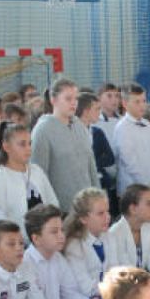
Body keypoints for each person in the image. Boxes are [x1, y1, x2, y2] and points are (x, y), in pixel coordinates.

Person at [31, 79, 101, 212]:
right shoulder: (42, 130)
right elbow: (39, 175)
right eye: (68, 99)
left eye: (76, 98)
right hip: (61, 210)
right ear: (53, 100)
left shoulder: (80, 126)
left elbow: (91, 166)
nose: (74, 103)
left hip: (87, 208)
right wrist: (50, 211)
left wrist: (98, 198)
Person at [0, 122, 57, 238]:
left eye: (29, 143)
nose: (28, 148)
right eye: (22, 144)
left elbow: (52, 202)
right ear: (6, 147)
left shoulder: (37, 170)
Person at [64, 188, 113, 299]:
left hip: (107, 295)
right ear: (83, 219)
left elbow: (115, 271)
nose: (108, 217)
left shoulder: (109, 236)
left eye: (108, 211)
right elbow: (86, 288)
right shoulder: (74, 247)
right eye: (101, 213)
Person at [113, 83, 150, 195]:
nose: (142, 105)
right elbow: (129, 162)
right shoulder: (122, 127)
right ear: (125, 104)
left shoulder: (147, 124)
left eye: (144, 101)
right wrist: (146, 185)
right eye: (137, 102)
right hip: (131, 189)